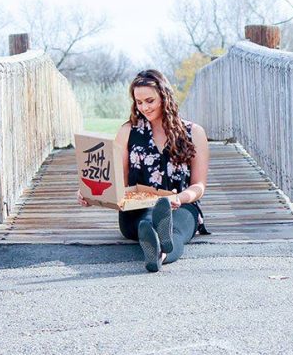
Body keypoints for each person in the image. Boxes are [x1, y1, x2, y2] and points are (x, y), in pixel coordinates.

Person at [77, 69, 210, 272]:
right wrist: (92, 194)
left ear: (165, 98)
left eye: (150, 100)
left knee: (177, 230)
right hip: (136, 208)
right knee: (147, 220)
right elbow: (117, 182)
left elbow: (199, 185)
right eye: (139, 102)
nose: (144, 108)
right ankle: (154, 238)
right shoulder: (128, 132)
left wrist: (180, 198)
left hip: (181, 205)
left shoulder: (194, 132)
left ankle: (159, 255)